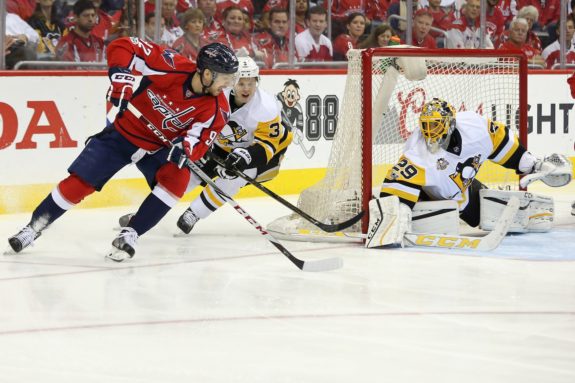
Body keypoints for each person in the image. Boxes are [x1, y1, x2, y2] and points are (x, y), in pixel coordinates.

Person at [7, 38, 239, 262]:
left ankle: (130, 233)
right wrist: (122, 80)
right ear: (207, 73)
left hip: (158, 148)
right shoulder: (172, 66)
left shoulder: (218, 107)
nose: (228, 85)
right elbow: (124, 45)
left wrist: (183, 149)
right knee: (81, 182)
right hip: (123, 134)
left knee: (178, 178)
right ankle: (34, 227)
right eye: (225, 78)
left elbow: (198, 143)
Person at [119, 56, 293, 235]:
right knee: (188, 173)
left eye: (251, 83)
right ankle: (145, 216)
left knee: (235, 177)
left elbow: (268, 145)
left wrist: (245, 157)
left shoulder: (267, 107)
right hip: (220, 146)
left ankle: (194, 213)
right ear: (232, 82)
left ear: (258, 81)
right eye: (241, 83)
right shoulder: (217, 92)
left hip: (261, 154)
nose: (246, 88)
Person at [366, 97, 569, 247]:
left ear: (450, 124)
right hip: (432, 197)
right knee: (423, 218)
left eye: (435, 125)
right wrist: (395, 214)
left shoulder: (475, 127)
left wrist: (534, 164)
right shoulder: (417, 153)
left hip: (463, 190)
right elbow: (398, 183)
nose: (430, 132)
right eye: (426, 126)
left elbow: (503, 144)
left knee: (509, 219)